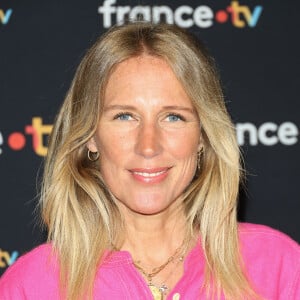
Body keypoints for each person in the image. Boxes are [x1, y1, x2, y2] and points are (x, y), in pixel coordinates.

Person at [0, 21, 299, 300]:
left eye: (173, 117)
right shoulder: (31, 285)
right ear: (91, 135)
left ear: (203, 138)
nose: (148, 146)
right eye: (125, 116)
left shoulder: (278, 268)